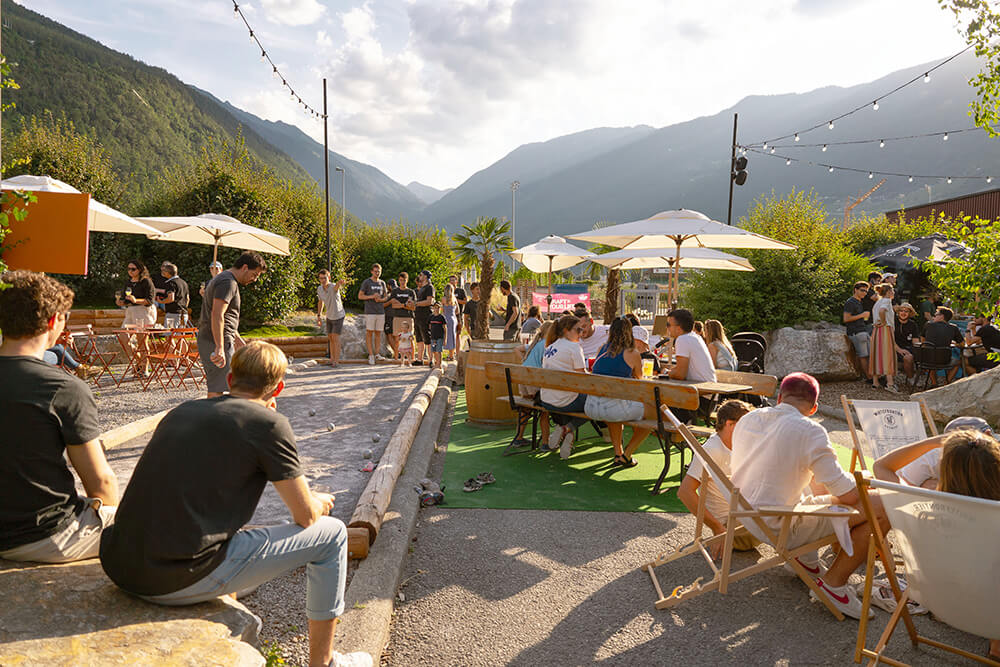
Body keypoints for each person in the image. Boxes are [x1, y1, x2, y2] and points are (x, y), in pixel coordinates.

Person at [99, 342, 371, 667]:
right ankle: (324, 662)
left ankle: (223, 588)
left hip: (119, 565)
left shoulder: (181, 411)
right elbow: (305, 515)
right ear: (279, 388)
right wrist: (318, 500)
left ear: (230, 380)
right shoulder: (269, 424)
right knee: (333, 535)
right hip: (171, 579)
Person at [730, 372, 889, 620]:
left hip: (748, 515)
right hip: (781, 523)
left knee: (817, 475)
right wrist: (866, 483)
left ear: (780, 397)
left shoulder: (748, 418)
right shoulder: (809, 431)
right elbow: (847, 496)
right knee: (884, 504)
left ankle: (806, 560)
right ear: (814, 408)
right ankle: (834, 584)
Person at [0, 270, 118, 563]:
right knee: (160, 522)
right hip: (43, 535)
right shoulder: (62, 388)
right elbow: (101, 483)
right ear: (54, 321)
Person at [870, 423, 1000, 658]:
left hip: (940, 599)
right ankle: (996, 645)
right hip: (988, 606)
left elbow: (881, 465)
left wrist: (936, 441)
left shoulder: (921, 506)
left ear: (945, 467)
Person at [677, 399, 757, 558]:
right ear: (730, 424)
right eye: (746, 426)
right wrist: (717, 528)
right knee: (790, 518)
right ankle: (802, 561)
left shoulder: (734, 444)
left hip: (742, 515)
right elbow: (685, 492)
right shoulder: (713, 450)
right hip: (732, 528)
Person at [584, 318, 654, 467]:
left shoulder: (602, 349)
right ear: (629, 332)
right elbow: (640, 380)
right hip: (612, 408)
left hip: (591, 406)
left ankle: (618, 453)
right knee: (654, 415)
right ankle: (627, 454)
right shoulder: (632, 353)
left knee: (614, 408)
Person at [198, 251, 267, 398]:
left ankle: (219, 419)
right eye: (255, 274)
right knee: (218, 388)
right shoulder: (227, 282)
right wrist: (219, 347)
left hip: (220, 338)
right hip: (215, 339)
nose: (254, 279)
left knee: (222, 384)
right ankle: (216, 420)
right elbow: (217, 314)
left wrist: (237, 339)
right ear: (245, 267)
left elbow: (227, 316)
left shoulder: (226, 280)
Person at [874, 416, 996, 490]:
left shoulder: (942, 494)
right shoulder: (992, 495)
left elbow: (880, 467)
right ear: (990, 436)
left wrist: (933, 442)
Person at [539, 315, 588, 459]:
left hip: (546, 400)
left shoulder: (550, 346)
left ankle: (566, 431)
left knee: (577, 397)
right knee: (597, 403)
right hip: (565, 401)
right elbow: (583, 378)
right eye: (578, 329)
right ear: (567, 330)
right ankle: (568, 429)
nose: (581, 333)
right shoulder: (574, 347)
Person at [511, 321, 554, 447]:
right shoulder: (548, 345)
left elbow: (517, 350)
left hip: (523, 379)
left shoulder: (535, 344)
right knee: (544, 409)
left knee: (525, 408)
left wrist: (523, 360)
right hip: (533, 381)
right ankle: (545, 443)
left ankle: (519, 437)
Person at [922, 306, 964, 385]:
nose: (934, 316)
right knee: (958, 362)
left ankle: (934, 383)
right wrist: (954, 343)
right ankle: (946, 383)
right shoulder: (953, 328)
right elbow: (962, 344)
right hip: (944, 360)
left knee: (930, 356)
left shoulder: (928, 325)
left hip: (926, 360)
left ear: (942, 316)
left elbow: (923, 339)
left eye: (936, 314)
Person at [869, 283, 899, 393]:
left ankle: (875, 382)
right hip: (885, 329)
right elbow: (882, 311)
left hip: (877, 330)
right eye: (893, 290)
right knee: (888, 354)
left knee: (877, 354)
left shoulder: (878, 302)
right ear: (889, 292)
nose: (894, 293)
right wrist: (884, 322)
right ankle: (890, 384)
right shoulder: (886, 301)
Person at [358, 263, 388, 366]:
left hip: (380, 311)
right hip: (370, 311)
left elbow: (385, 297)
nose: (377, 273)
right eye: (375, 271)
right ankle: (370, 355)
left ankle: (377, 354)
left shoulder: (382, 283)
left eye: (379, 271)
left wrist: (380, 299)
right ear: (371, 271)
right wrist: (371, 296)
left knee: (379, 333)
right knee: (369, 333)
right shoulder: (367, 282)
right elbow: (360, 296)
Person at [316, 269, 346, 367]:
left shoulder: (333, 286)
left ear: (329, 277)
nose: (323, 280)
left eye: (325, 278)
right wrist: (319, 315)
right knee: (331, 338)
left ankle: (336, 361)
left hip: (338, 315)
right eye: (321, 278)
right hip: (329, 315)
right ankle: (332, 359)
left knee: (335, 338)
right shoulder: (319, 289)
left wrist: (339, 283)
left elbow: (337, 287)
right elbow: (321, 302)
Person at [843, 281, 872, 381]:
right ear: (855, 290)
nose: (864, 293)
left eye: (866, 291)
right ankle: (869, 378)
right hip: (856, 332)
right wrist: (862, 315)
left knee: (869, 355)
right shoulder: (850, 302)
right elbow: (846, 319)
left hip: (862, 331)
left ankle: (868, 376)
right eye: (862, 290)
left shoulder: (859, 302)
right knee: (863, 356)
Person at [116, 258, 157, 327]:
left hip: (143, 311)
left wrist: (135, 300)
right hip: (130, 311)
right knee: (123, 333)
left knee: (141, 335)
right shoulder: (128, 282)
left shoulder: (146, 281)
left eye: (133, 269)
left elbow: (150, 300)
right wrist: (121, 302)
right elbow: (125, 299)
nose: (130, 271)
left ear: (140, 270)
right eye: (129, 269)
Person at [409, 270, 435, 365]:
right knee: (419, 338)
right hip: (418, 315)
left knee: (427, 338)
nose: (419, 276)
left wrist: (416, 303)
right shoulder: (421, 289)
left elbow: (430, 301)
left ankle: (431, 359)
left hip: (426, 316)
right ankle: (420, 359)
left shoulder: (429, 287)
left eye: (421, 275)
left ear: (425, 277)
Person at [388, 273, 416, 362]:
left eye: (404, 280)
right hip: (397, 317)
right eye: (400, 280)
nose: (402, 282)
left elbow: (413, 307)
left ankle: (412, 359)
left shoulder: (411, 292)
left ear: (407, 280)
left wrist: (400, 304)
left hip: (408, 317)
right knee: (397, 339)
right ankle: (397, 359)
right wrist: (404, 305)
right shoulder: (395, 291)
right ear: (398, 280)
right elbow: (393, 306)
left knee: (410, 339)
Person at [157, 262, 190, 328]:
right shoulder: (184, 282)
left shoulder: (170, 283)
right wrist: (183, 308)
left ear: (168, 273)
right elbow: (188, 298)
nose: (163, 273)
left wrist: (161, 301)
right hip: (184, 314)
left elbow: (171, 299)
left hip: (173, 314)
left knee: (169, 336)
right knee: (180, 336)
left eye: (164, 271)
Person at [893, 302, 921, 381]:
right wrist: (899, 350)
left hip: (908, 348)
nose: (903, 313)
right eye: (901, 311)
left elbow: (915, 341)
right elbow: (890, 339)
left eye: (906, 311)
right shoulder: (893, 322)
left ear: (910, 313)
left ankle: (910, 378)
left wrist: (918, 352)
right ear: (898, 312)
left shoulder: (913, 324)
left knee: (909, 357)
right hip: (894, 347)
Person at [442, 283, 458, 361]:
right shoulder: (454, 299)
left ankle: (450, 355)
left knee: (447, 336)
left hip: (446, 318)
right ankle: (451, 354)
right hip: (454, 318)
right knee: (453, 336)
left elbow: (442, 310)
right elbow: (458, 310)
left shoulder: (443, 299)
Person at [383, 278, 398, 360]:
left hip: (391, 316)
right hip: (392, 316)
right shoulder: (390, 294)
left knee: (390, 335)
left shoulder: (390, 294)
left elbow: (383, 305)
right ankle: (398, 352)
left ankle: (397, 352)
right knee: (392, 335)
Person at [429, 302, 446, 369]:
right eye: (435, 308)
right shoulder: (431, 317)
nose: (436, 309)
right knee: (434, 351)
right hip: (433, 337)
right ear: (433, 308)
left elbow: (445, 328)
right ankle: (436, 363)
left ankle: (439, 364)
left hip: (440, 337)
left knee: (439, 351)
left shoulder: (441, 317)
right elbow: (430, 326)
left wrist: (445, 339)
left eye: (438, 308)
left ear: (440, 308)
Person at [450, 274, 467, 341]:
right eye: (450, 280)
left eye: (453, 280)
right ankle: (452, 350)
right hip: (450, 316)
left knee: (458, 334)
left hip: (459, 315)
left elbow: (465, 301)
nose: (452, 282)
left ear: (456, 281)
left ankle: (457, 350)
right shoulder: (448, 291)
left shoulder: (461, 291)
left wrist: (456, 300)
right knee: (451, 334)